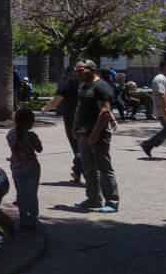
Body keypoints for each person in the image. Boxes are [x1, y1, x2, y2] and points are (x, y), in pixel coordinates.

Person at [73, 60, 119, 212]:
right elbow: (79, 107)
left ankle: (112, 201)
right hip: (82, 132)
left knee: (104, 167)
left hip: (97, 133)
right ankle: (93, 199)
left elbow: (105, 111)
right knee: (88, 167)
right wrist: (75, 127)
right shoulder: (82, 86)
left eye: (81, 70)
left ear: (92, 69)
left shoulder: (101, 86)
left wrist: (95, 133)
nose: (78, 73)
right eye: (76, 70)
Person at [42, 63, 85, 184]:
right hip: (88, 116)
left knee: (77, 146)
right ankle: (76, 172)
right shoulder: (87, 82)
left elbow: (55, 101)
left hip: (71, 118)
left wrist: (45, 109)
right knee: (84, 145)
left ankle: (89, 178)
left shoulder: (66, 83)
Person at [6, 107, 43, 229]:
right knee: (31, 195)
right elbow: (39, 149)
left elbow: (14, 147)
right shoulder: (32, 136)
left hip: (17, 168)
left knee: (21, 195)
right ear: (30, 122)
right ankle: (32, 219)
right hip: (31, 168)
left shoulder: (11, 134)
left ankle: (23, 219)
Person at [139, 59, 166, 159]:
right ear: (161, 68)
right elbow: (161, 94)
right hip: (164, 111)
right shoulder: (160, 79)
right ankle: (147, 144)